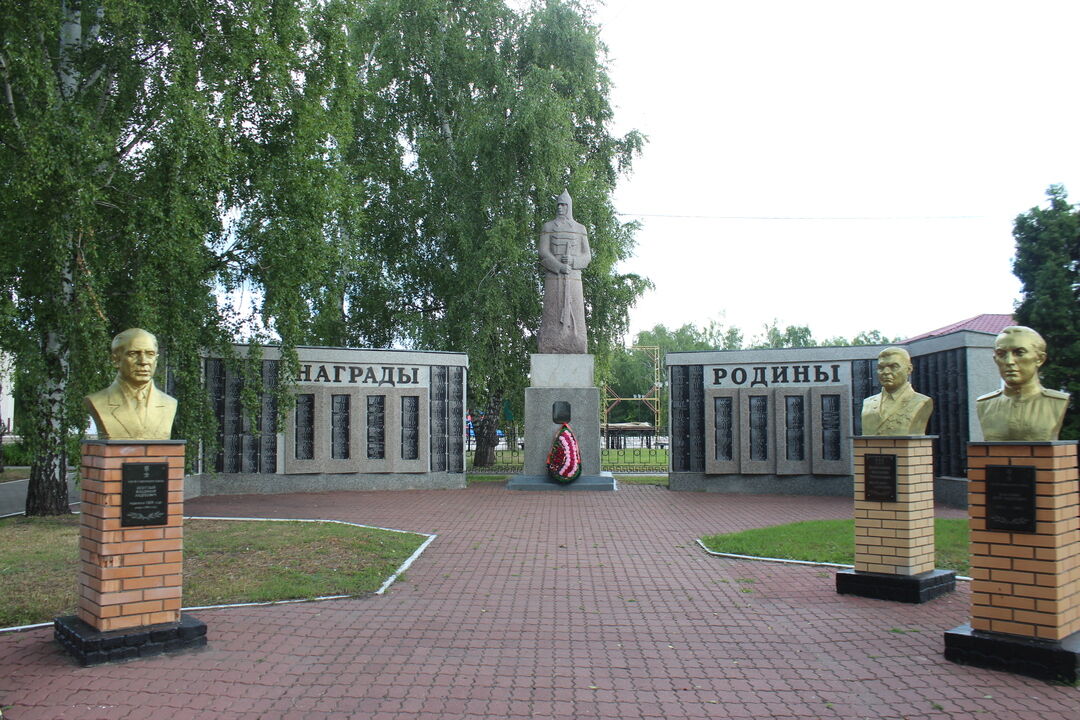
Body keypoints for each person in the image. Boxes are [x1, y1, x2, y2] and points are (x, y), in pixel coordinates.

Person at [976, 326, 1068, 441]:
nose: (1009, 361)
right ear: (995, 359)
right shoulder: (985, 404)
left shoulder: (1058, 401)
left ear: (1039, 359)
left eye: (1019, 353)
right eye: (1001, 354)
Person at [85, 328, 177, 440]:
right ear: (116, 360)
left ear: (156, 360)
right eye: (133, 354)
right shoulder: (98, 401)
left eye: (150, 354)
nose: (143, 361)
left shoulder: (169, 404)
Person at [537, 190, 591, 354]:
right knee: (553, 314)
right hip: (554, 278)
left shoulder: (580, 229)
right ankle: (550, 342)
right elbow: (543, 252)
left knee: (574, 315)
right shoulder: (548, 227)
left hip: (574, 278)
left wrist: (574, 262)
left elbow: (587, 256)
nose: (560, 208)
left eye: (564, 205)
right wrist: (558, 266)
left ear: (570, 206)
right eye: (559, 205)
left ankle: (574, 341)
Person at [860, 347, 933, 435]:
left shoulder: (921, 402)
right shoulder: (868, 403)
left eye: (893, 367)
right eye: (881, 368)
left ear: (909, 369)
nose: (886, 372)